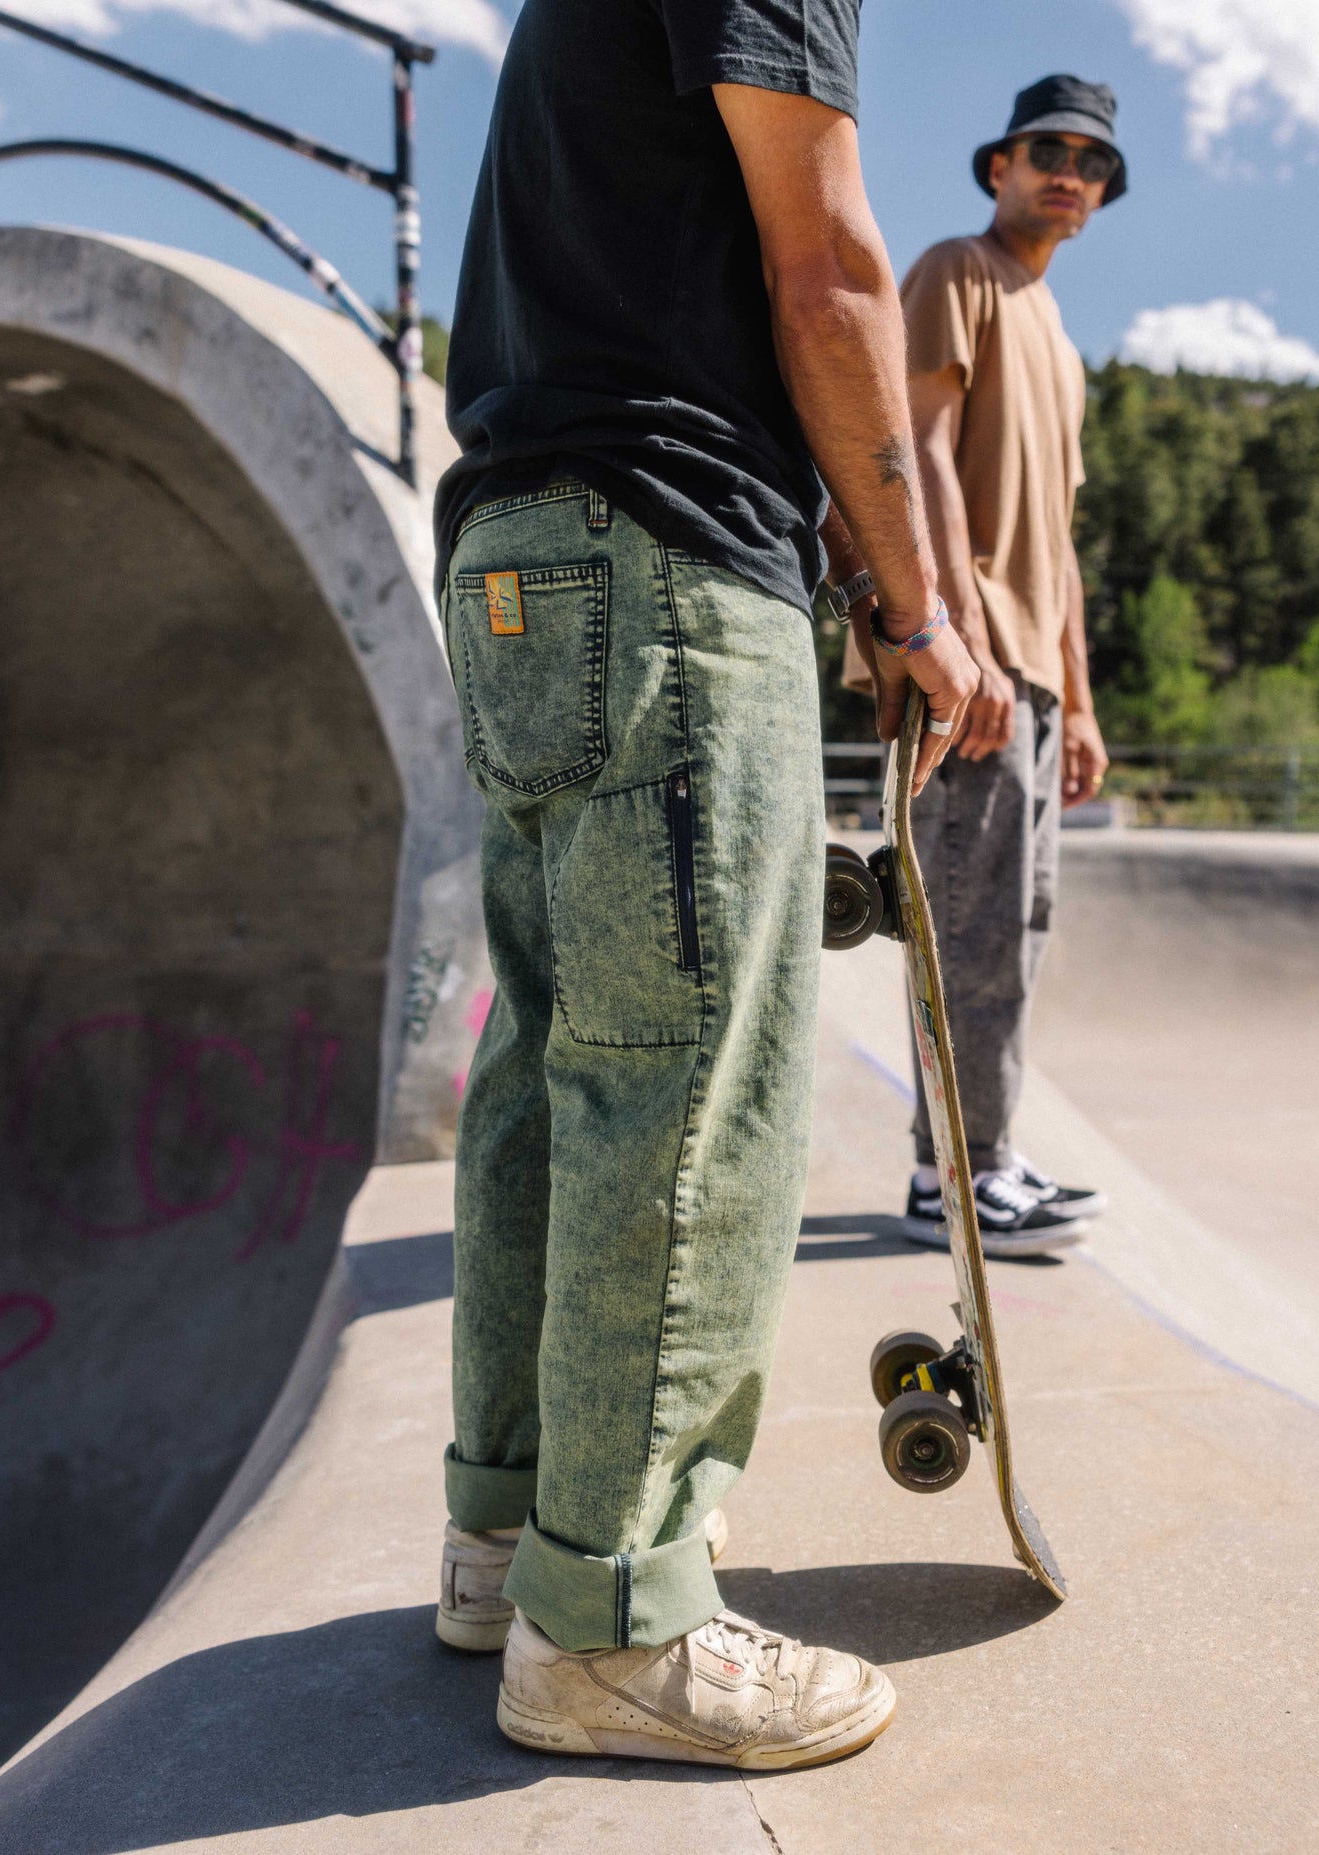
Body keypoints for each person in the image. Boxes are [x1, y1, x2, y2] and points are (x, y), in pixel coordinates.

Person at [431, 0, 978, 1769]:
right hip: (662, 556)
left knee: (558, 1056)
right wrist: (910, 598)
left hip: (522, 540)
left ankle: (511, 1539)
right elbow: (827, 266)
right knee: (691, 1087)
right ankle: (615, 1623)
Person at [845, 75, 1118, 1258]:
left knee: (1018, 930)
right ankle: (945, 1177)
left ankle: (991, 1157)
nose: (1069, 171)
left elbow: (1055, 539)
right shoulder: (958, 272)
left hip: (1037, 676)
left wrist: (1082, 700)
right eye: (1046, 149)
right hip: (973, 663)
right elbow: (925, 454)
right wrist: (968, 635)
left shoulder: (1055, 330)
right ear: (997, 166)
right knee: (966, 929)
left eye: (1092, 161)